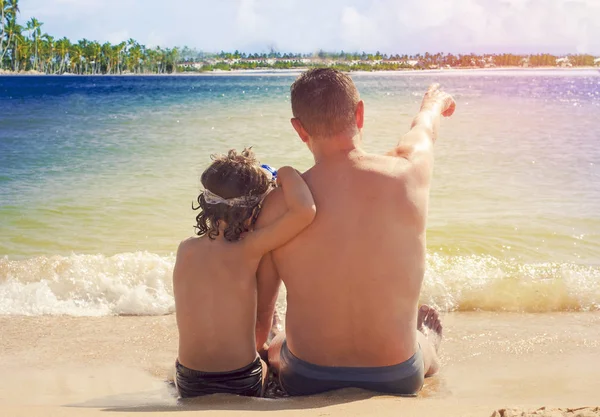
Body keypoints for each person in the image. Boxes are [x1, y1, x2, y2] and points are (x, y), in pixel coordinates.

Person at [254, 69, 455, 396]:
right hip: (397, 375)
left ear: (299, 129)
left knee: (278, 343)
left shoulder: (279, 205)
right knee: (423, 345)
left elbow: (262, 308)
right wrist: (433, 105)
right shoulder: (407, 173)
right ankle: (427, 342)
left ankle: (281, 341)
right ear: (360, 113)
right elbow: (424, 132)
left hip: (306, 377)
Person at [173, 148, 316, 398]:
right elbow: (304, 211)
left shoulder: (185, 249)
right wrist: (284, 172)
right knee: (272, 350)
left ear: (206, 202)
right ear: (252, 210)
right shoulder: (250, 247)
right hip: (239, 380)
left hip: (189, 382)